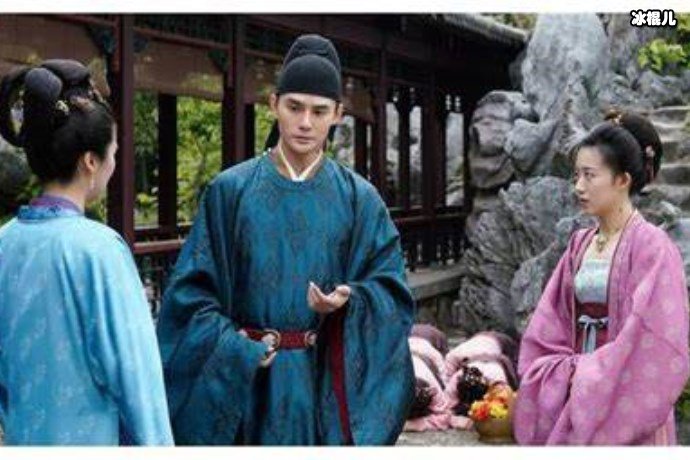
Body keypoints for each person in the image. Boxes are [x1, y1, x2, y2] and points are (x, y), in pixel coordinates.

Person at [156, 34, 415, 445]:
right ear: (273, 103)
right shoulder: (230, 191)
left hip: (322, 387)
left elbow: (393, 294)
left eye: (319, 111)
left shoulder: (360, 200)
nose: (305, 122)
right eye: (294, 107)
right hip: (249, 387)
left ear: (338, 114)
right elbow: (188, 300)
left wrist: (351, 300)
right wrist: (236, 348)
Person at [0, 60, 173, 445]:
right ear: (91, 162)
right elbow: (137, 378)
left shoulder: (4, 243)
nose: (114, 163)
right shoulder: (100, 250)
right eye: (113, 152)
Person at [514, 110, 690, 445]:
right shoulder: (579, 243)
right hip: (574, 390)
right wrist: (565, 373)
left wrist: (592, 375)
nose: (579, 187)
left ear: (622, 180)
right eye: (576, 176)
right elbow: (550, 321)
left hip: (624, 394)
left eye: (589, 176)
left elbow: (653, 338)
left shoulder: (653, 246)